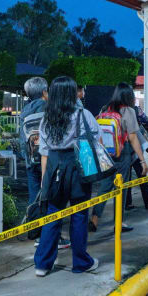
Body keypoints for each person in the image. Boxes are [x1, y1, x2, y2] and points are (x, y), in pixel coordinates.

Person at [34, 76, 100, 276]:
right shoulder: (83, 114)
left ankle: (42, 264)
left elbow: (44, 153)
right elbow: (96, 142)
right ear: (72, 94)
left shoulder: (46, 118)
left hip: (54, 167)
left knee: (53, 214)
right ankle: (80, 263)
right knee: (79, 214)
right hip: (78, 166)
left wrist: (45, 181)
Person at [90, 82, 148, 232]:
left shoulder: (105, 108)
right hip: (122, 153)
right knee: (121, 187)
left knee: (104, 186)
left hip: (106, 153)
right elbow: (133, 138)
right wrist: (142, 160)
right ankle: (119, 222)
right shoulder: (128, 111)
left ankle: (95, 218)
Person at [124, 104, 148, 211]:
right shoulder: (134, 109)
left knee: (126, 177)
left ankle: (127, 203)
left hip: (122, 148)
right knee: (142, 174)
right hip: (135, 148)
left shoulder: (115, 109)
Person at [19, 76, 47, 205]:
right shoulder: (49, 107)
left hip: (31, 159)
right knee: (49, 194)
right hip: (47, 158)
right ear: (44, 92)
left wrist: (26, 157)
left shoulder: (25, 110)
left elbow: (22, 137)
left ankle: (34, 216)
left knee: (33, 196)